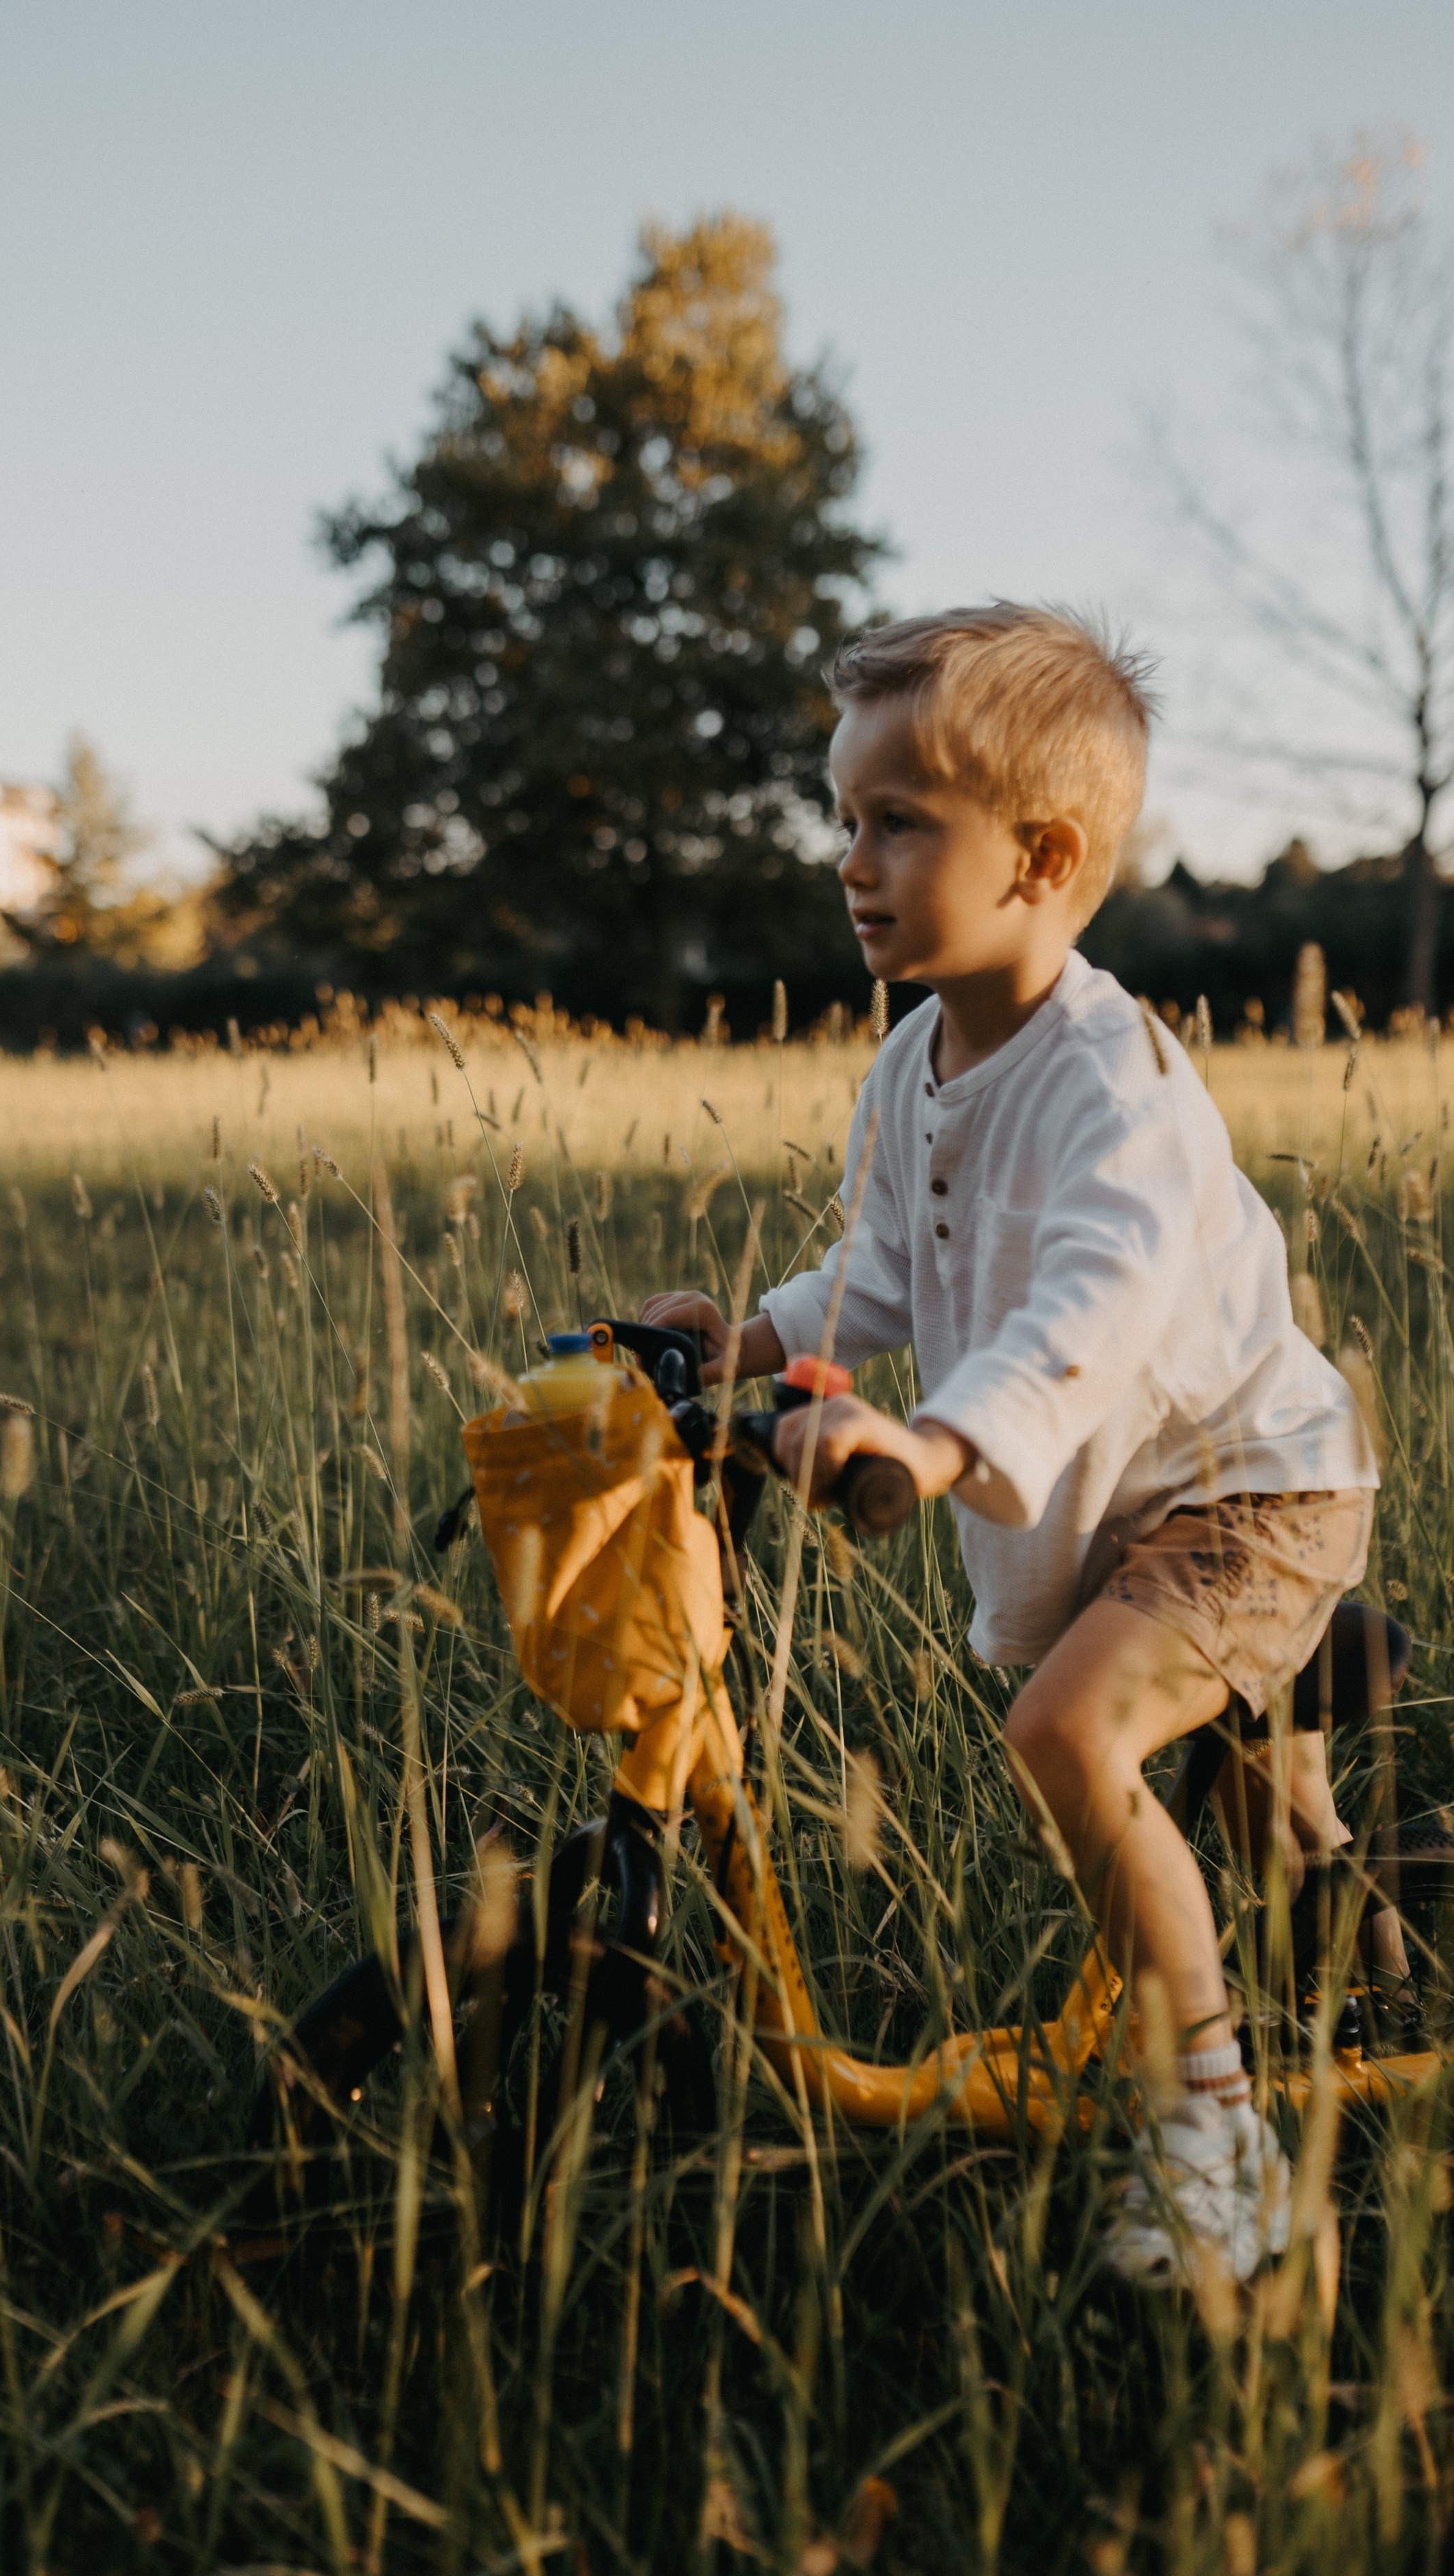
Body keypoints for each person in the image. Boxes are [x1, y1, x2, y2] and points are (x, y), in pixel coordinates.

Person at [642, 603, 1386, 2286]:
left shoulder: (1113, 1088)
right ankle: (1332, 1904)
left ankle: (1215, 2141)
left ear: (1041, 859)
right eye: (844, 817)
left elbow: (1087, 1313)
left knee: (1061, 1732)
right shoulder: (913, 1055)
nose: (851, 861)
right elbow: (880, 1269)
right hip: (1117, 1495)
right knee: (1256, 1844)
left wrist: (934, 1443)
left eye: (898, 821)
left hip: (1243, 1493)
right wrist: (740, 1340)